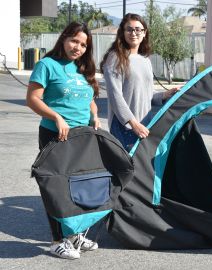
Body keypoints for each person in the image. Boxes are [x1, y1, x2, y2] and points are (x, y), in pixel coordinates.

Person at [26, 22, 100, 260]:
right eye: (74, 41)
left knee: (79, 188)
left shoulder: (81, 69)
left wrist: (95, 115)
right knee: (56, 189)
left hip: (81, 137)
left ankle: (75, 235)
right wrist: (56, 116)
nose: (77, 47)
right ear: (63, 39)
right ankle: (58, 240)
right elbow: (33, 99)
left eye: (83, 44)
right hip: (55, 135)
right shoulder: (46, 65)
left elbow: (88, 97)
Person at [100, 13, 179, 151]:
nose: (134, 33)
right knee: (128, 170)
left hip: (145, 124)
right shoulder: (115, 58)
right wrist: (133, 124)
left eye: (138, 29)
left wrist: (165, 95)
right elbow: (115, 96)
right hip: (124, 127)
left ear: (144, 33)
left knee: (142, 170)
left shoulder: (145, 61)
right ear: (122, 33)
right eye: (129, 29)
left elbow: (147, 94)